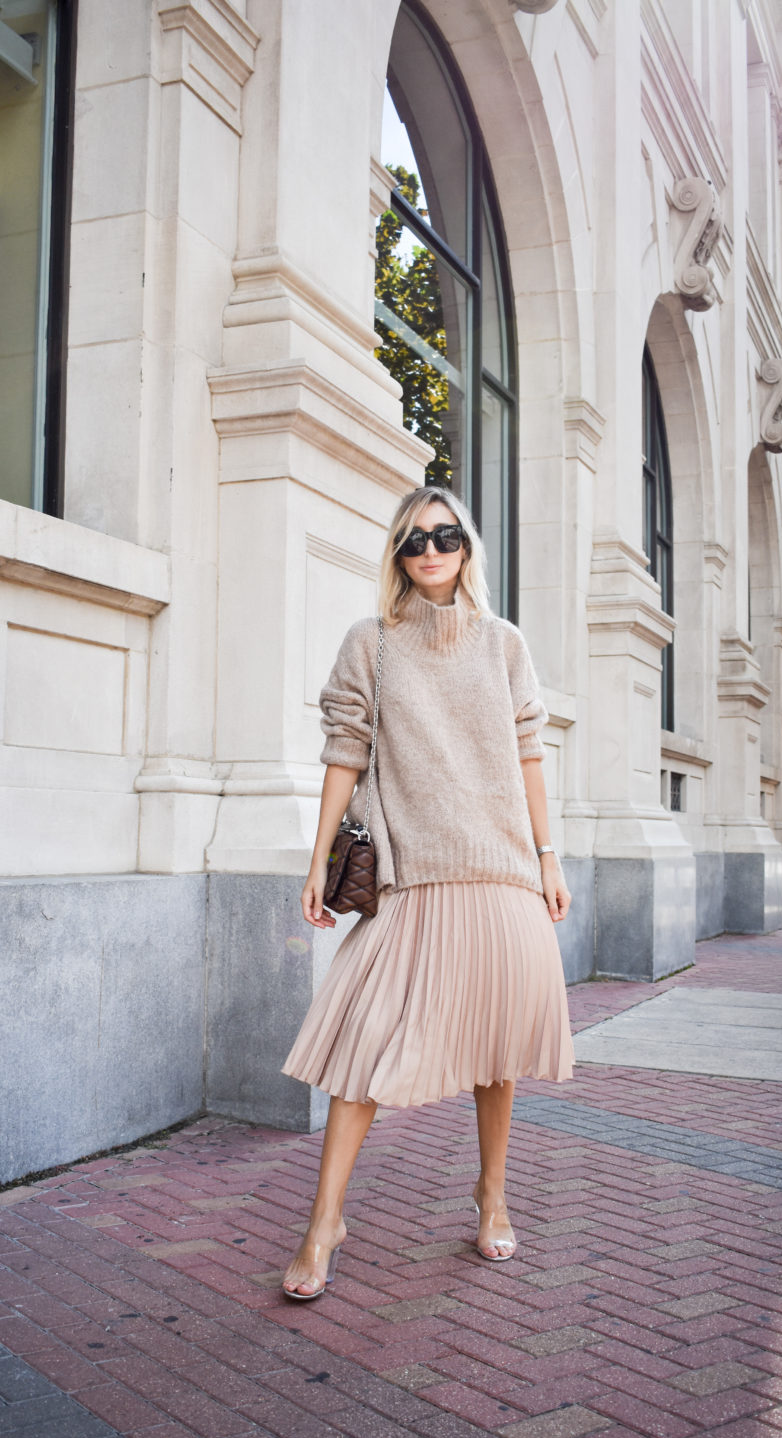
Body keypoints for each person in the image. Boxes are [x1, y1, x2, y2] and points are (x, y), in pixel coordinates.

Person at [280, 485, 574, 1299]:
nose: (432, 550)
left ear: (467, 546)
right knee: (365, 1049)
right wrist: (317, 861)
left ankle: (492, 1195)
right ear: (398, 556)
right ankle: (323, 1223)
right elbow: (345, 749)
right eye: (414, 540)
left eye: (446, 535)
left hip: (503, 870)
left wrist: (548, 857)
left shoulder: (503, 643)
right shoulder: (370, 643)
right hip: (413, 876)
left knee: (497, 1048)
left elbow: (528, 757)